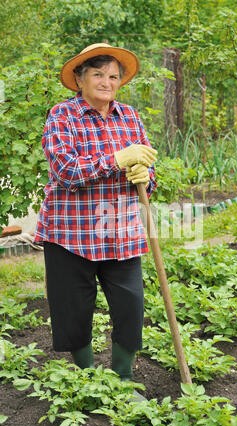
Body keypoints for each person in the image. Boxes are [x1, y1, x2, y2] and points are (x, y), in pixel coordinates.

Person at [34, 43, 158, 400]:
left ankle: (122, 376)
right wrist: (118, 159)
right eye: (98, 74)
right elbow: (65, 170)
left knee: (130, 305)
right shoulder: (62, 115)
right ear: (79, 79)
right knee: (73, 308)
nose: (107, 82)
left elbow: (148, 172)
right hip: (70, 233)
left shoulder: (130, 116)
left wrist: (144, 174)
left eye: (114, 76)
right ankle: (88, 378)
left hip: (120, 232)